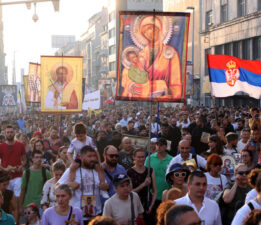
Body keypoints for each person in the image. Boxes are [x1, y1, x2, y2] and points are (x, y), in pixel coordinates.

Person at [132, 15, 182, 99]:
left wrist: (163, 92)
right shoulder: (141, 54)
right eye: (144, 32)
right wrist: (133, 85)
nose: (148, 33)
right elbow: (137, 79)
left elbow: (176, 85)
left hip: (164, 97)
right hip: (145, 95)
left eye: (150, 28)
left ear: (158, 28)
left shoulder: (170, 53)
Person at [58, 146, 104, 223]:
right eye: (89, 156)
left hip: (96, 216)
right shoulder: (72, 169)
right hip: (76, 216)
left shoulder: (97, 170)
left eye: (94, 156)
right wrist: (68, 185)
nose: (93, 159)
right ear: (82, 157)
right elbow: (57, 186)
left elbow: (104, 187)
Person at [0, 125, 26, 215]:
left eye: (11, 132)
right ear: (5, 133)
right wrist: (4, 169)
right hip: (5, 178)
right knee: (6, 198)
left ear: (14, 133)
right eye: (8, 132)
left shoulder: (20, 145)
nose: (10, 134)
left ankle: (18, 215)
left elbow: (24, 159)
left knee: (17, 197)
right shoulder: (1, 146)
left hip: (17, 176)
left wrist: (20, 166)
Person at [127, 149, 157, 223]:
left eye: (143, 157)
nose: (141, 159)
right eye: (139, 157)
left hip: (148, 204)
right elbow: (130, 192)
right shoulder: (129, 172)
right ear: (134, 157)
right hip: (135, 205)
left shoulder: (150, 171)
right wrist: (144, 184)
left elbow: (155, 191)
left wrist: (151, 205)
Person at [144, 138, 173, 207]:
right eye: (157, 144)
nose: (158, 146)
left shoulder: (172, 159)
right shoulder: (149, 158)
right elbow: (145, 173)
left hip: (166, 194)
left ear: (166, 146)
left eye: (161, 145)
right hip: (151, 193)